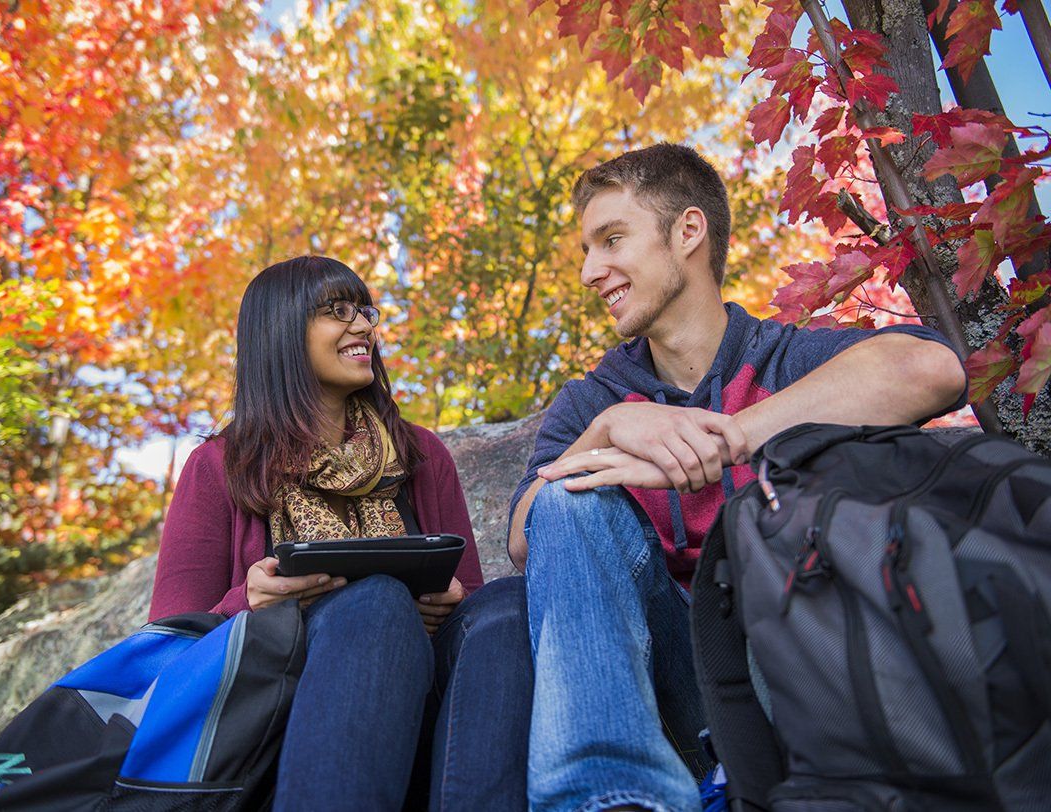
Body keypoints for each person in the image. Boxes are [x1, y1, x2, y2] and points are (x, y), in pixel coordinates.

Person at [507, 144, 968, 812]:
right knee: (565, 502)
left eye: (611, 240)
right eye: (586, 249)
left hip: (793, 677)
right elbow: (526, 538)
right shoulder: (591, 401)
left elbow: (932, 371)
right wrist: (607, 431)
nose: (589, 271)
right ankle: (612, 798)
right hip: (670, 682)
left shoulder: (785, 357)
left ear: (688, 232)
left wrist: (734, 438)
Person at [150, 255, 531, 812]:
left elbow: (468, 593)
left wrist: (449, 604)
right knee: (375, 600)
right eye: (336, 312)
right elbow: (168, 645)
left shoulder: (421, 454)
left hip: (429, 716)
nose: (363, 327)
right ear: (281, 332)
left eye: (363, 311)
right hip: (278, 732)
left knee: (509, 602)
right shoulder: (218, 467)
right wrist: (249, 603)